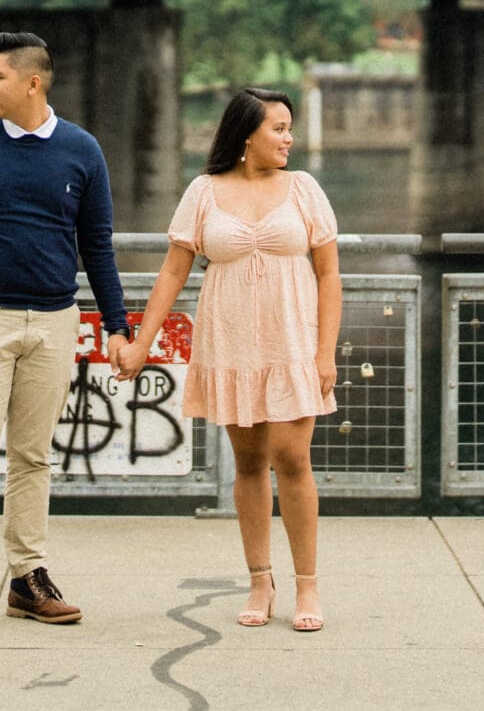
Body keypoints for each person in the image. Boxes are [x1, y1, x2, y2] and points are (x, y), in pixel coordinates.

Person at [0, 30, 134, 633]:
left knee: (34, 457)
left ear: (32, 82)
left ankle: (27, 577)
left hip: (55, 322)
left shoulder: (81, 150)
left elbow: (97, 246)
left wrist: (117, 326)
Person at [119, 85, 340, 633]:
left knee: (292, 457)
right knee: (249, 463)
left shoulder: (304, 189)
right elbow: (173, 271)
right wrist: (142, 343)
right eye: (278, 129)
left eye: (289, 129)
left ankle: (307, 585)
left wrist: (325, 351)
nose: (288, 139)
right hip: (232, 345)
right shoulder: (204, 191)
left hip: (293, 342)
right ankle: (260, 580)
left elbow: (329, 274)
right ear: (246, 135)